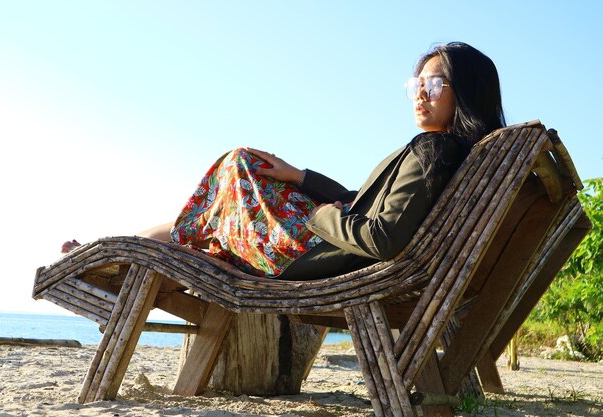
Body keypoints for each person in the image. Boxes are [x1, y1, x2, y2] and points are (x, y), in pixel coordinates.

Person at [62, 42, 505, 281]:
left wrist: (314, 214)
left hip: (316, 253)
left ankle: (103, 255)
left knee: (239, 163)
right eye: (417, 85)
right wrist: (299, 177)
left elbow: (382, 237)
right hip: (328, 243)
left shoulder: (434, 151)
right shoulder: (453, 155)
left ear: (465, 92)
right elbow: (364, 203)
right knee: (222, 213)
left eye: (435, 84)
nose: (420, 95)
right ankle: (107, 252)